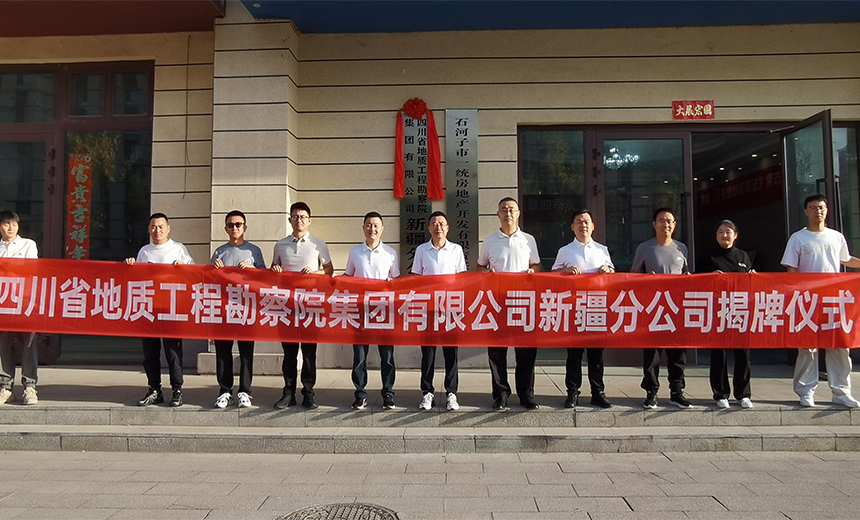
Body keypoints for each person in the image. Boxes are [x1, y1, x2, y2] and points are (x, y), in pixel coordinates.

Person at [781, 193, 860, 408]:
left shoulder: (836, 237)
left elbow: (846, 259)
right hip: (808, 300)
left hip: (834, 299)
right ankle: (806, 391)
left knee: (839, 345)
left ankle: (841, 392)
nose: (818, 211)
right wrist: (799, 293)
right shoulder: (798, 238)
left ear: (827, 210)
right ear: (806, 212)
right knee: (808, 347)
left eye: (822, 207)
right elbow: (791, 268)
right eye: (813, 208)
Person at [477, 197, 541, 411]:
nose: (508, 213)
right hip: (498, 303)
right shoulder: (489, 241)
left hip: (523, 302)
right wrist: (487, 274)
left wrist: (532, 271)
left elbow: (536, 265)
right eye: (503, 210)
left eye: (512, 209)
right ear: (498, 214)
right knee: (496, 352)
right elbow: (480, 267)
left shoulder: (528, 240)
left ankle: (526, 394)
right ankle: (501, 394)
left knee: (526, 351)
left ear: (518, 213)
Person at [125, 213, 194, 407]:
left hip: (171, 309)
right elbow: (136, 278)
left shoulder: (178, 248)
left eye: (161, 226)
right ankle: (154, 389)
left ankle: (177, 390)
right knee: (150, 353)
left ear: (168, 228)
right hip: (149, 309)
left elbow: (194, 273)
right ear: (149, 229)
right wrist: (130, 266)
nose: (157, 230)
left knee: (173, 352)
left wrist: (183, 267)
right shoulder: (144, 251)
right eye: (154, 227)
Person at [271, 202, 333, 410]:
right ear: (290, 219)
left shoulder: (318, 244)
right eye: (295, 216)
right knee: (289, 352)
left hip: (310, 305)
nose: (299, 220)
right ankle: (288, 392)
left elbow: (329, 270)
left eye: (303, 217)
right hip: (287, 306)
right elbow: (273, 269)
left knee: (308, 352)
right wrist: (275, 269)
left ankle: (308, 392)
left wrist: (314, 273)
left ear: (309, 220)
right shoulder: (280, 245)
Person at [551, 209, 615, 409]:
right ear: (572, 227)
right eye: (579, 222)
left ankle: (598, 392)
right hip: (574, 308)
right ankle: (572, 392)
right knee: (574, 355)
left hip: (597, 308)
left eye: (586, 221)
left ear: (593, 226)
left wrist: (608, 270)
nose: (583, 225)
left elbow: (613, 273)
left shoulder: (602, 250)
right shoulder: (565, 251)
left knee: (596, 356)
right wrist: (566, 271)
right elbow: (552, 276)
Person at [632, 207, 691, 409]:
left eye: (669, 221)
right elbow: (633, 276)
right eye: (661, 220)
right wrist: (646, 280)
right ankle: (651, 391)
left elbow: (686, 274)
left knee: (677, 353)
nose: (665, 224)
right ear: (654, 224)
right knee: (652, 353)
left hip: (676, 308)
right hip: (654, 308)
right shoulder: (644, 248)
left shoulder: (681, 248)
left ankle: (677, 391)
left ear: (674, 225)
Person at [343, 211, 400, 410]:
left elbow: (396, 280)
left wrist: (391, 284)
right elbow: (347, 277)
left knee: (387, 356)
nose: (372, 229)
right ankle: (360, 394)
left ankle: (388, 393)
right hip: (361, 310)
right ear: (363, 227)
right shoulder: (355, 252)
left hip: (384, 310)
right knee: (360, 356)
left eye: (376, 225)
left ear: (382, 229)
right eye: (368, 225)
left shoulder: (390, 253)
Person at [210, 210, 266, 409]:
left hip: (246, 308)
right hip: (223, 309)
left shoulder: (254, 251)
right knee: (222, 352)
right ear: (225, 228)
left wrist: (252, 270)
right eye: (230, 225)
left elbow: (265, 277)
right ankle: (225, 391)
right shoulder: (219, 252)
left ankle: (245, 391)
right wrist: (213, 270)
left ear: (245, 227)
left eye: (238, 224)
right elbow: (208, 280)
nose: (234, 228)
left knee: (246, 352)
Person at [412, 211, 467, 411]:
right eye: (434, 224)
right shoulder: (422, 250)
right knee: (428, 354)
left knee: (451, 353)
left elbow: (462, 280)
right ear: (429, 228)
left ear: (447, 228)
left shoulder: (456, 250)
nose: (438, 227)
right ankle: (427, 393)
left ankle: (451, 393)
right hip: (428, 309)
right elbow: (416, 279)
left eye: (441, 223)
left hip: (450, 309)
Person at [700, 219, 754, 409]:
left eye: (728, 232)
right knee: (718, 355)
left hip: (739, 310)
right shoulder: (709, 256)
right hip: (717, 311)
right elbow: (698, 283)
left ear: (735, 235)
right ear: (716, 236)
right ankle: (720, 394)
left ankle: (743, 394)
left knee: (743, 355)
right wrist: (710, 278)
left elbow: (750, 283)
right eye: (720, 232)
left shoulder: (743, 256)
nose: (724, 235)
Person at [0, 210, 39, 405]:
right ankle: (5, 387)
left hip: (25, 301)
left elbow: (30, 268)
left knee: (29, 344)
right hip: (3, 303)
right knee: (4, 345)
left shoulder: (28, 244)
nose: (11, 228)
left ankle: (29, 386)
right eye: (6, 224)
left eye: (14, 224)